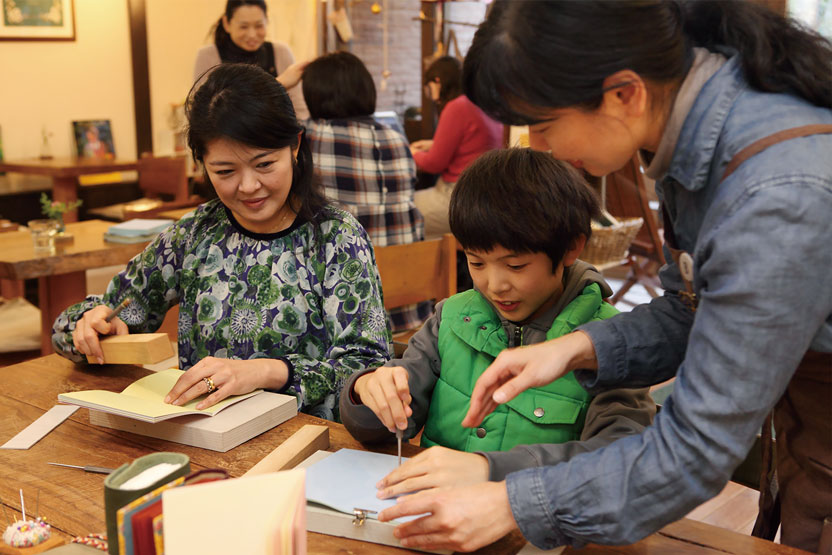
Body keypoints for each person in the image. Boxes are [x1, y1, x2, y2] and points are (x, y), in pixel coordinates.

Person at [375, 1, 832, 552]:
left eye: (543, 125)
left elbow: (695, 448)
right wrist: (575, 348)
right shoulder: (699, 134)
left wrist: (511, 499)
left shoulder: (774, 194)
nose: (539, 146)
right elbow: (696, 306)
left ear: (623, 94)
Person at [52, 63, 391, 422]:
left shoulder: (336, 238)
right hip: (201, 439)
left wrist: (267, 372)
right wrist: (89, 325)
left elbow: (367, 370)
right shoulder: (194, 235)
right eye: (225, 172)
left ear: (295, 146)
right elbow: (86, 321)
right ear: (203, 164)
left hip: (308, 446)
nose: (247, 187)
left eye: (264, 164)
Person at [340, 148, 655, 493]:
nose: (495, 284)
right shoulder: (450, 318)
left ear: (570, 248)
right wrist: (365, 391)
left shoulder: (610, 342)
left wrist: (489, 470)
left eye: (515, 266)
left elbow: (620, 459)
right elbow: (383, 426)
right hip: (429, 513)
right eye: (476, 263)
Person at [302, 51, 430, 333]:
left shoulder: (308, 137)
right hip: (410, 303)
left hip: (349, 311)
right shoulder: (396, 139)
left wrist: (282, 82)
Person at [411, 56, 503, 240]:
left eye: (428, 88)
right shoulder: (478, 101)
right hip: (485, 195)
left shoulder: (456, 107)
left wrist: (411, 152)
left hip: (458, 196)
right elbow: (471, 143)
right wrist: (432, 145)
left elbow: (434, 164)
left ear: (437, 81)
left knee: (402, 212)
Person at [193, 0, 309, 120]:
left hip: (276, 135)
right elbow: (202, 111)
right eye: (243, 27)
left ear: (267, 21)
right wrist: (280, 84)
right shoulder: (208, 55)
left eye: (259, 25)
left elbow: (300, 112)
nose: (252, 34)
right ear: (226, 23)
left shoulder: (281, 52)